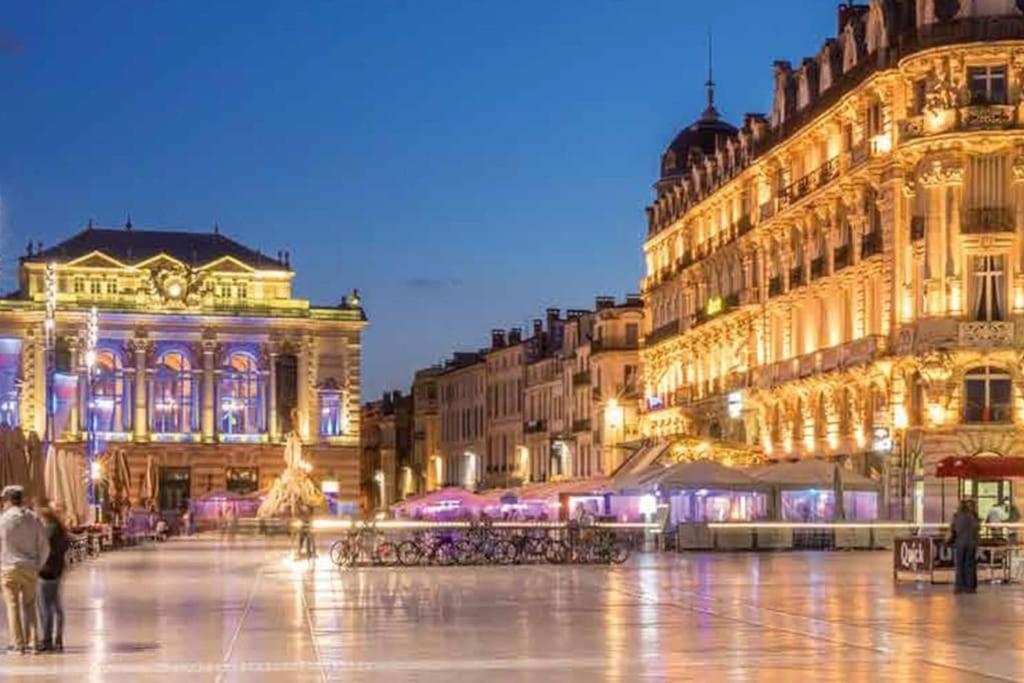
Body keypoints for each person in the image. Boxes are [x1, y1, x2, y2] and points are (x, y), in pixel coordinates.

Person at [0, 485, 50, 654]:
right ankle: (33, 642)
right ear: (21, 499)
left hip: (9, 568)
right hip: (30, 567)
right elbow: (44, 545)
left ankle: (18, 645)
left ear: (7, 501)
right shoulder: (33, 518)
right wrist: (38, 565)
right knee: (30, 605)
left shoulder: (3, 520)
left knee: (12, 606)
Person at [35, 505, 68, 653]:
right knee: (56, 606)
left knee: (45, 607)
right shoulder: (61, 530)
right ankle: (58, 638)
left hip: (46, 571)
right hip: (58, 570)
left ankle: (47, 640)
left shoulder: (48, 530)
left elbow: (43, 549)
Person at [951, 498, 980, 594]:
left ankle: (959, 586)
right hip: (971, 544)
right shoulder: (972, 516)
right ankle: (970, 587)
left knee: (960, 565)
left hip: (960, 543)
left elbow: (953, 530)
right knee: (970, 565)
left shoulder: (956, 516)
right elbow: (977, 529)